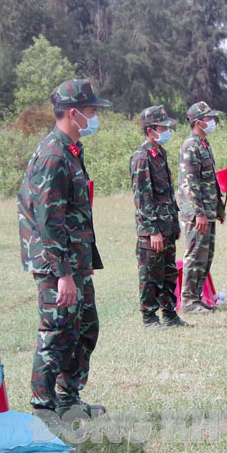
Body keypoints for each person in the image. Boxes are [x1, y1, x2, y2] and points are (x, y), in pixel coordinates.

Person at [17, 79, 110, 419]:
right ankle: (44, 411)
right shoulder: (53, 155)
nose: (95, 117)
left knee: (85, 328)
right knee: (56, 333)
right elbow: (48, 220)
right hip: (57, 265)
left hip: (75, 261)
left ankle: (68, 399)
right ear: (73, 113)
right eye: (91, 111)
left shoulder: (71, 150)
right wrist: (63, 275)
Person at [130, 105, 193, 331]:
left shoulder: (159, 153)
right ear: (150, 130)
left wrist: (173, 226)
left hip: (167, 225)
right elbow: (143, 198)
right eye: (162, 126)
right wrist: (152, 230)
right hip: (153, 229)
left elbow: (166, 194)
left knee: (168, 273)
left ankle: (169, 314)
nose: (167, 130)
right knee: (150, 274)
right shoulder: (141, 157)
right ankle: (149, 318)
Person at [178, 101, 226, 314]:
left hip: (207, 211)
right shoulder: (190, 146)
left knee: (205, 256)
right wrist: (198, 213)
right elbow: (189, 183)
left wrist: (218, 210)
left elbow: (210, 181)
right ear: (198, 122)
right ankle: (188, 301)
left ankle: (197, 298)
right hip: (197, 213)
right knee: (195, 255)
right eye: (208, 118)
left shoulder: (204, 144)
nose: (212, 122)